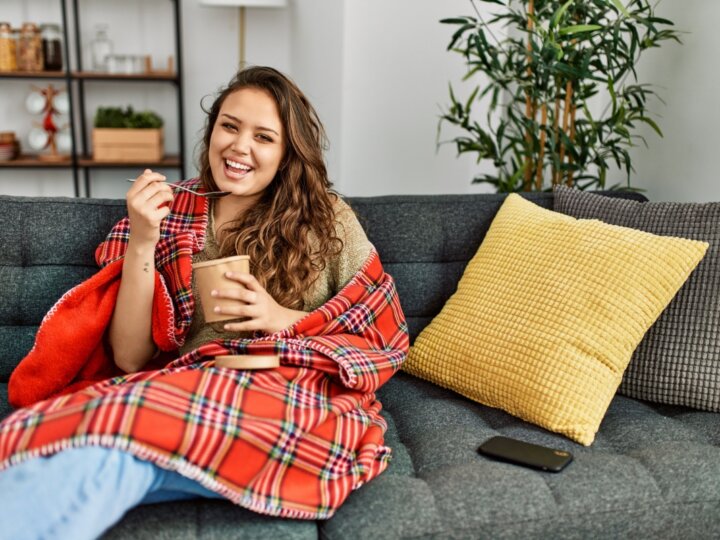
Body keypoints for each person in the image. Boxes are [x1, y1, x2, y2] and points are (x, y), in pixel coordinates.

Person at [0, 66, 407, 540]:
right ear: (212, 129)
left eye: (263, 137)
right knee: (95, 457)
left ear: (286, 154)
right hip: (190, 390)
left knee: (104, 448)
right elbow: (131, 358)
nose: (239, 146)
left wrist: (282, 318)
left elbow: (383, 329)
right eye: (230, 126)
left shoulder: (327, 220)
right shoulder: (172, 211)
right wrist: (142, 240)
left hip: (288, 394)